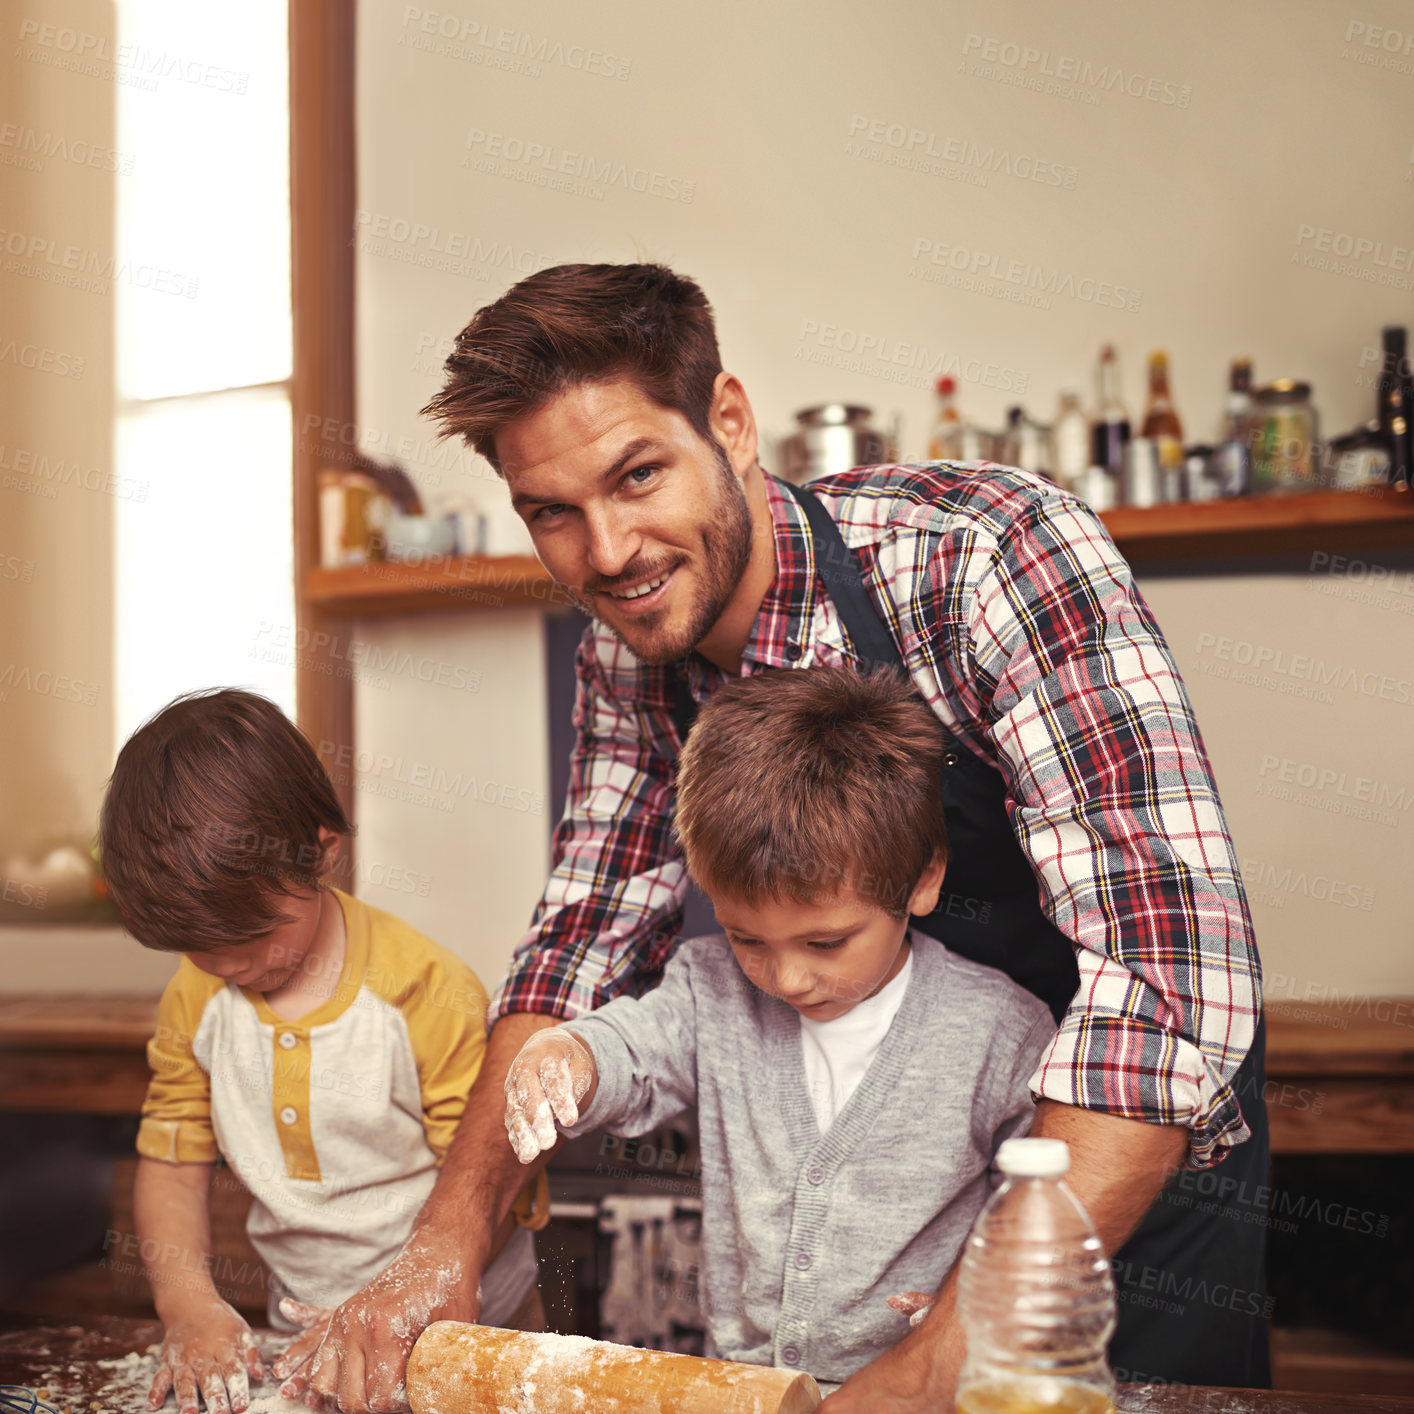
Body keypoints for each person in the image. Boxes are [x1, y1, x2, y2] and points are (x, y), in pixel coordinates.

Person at [305, 264, 1267, 1414]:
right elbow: (579, 950)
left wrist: (939, 1358)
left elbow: (1166, 986)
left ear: (731, 421)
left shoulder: (983, 556)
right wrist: (445, 1238)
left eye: (638, 475)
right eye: (551, 511)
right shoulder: (631, 656)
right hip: (874, 1250)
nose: (606, 552)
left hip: (1111, 1172)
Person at [503, 665, 1057, 1384]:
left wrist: (971, 1309)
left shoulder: (1001, 1031)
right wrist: (570, 1055)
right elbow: (635, 1048)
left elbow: (1042, 1210)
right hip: (745, 1390)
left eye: (825, 943)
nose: (787, 978)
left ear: (921, 880)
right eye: (748, 939)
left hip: (931, 1390)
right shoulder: (711, 991)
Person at [99, 689, 548, 1414]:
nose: (232, 968)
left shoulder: (425, 991)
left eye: (253, 939)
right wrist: (188, 1309)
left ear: (323, 854)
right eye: (202, 950)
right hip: (306, 1330)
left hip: (473, 1321)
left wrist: (402, 1304)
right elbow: (175, 1168)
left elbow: (492, 1181)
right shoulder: (196, 997)